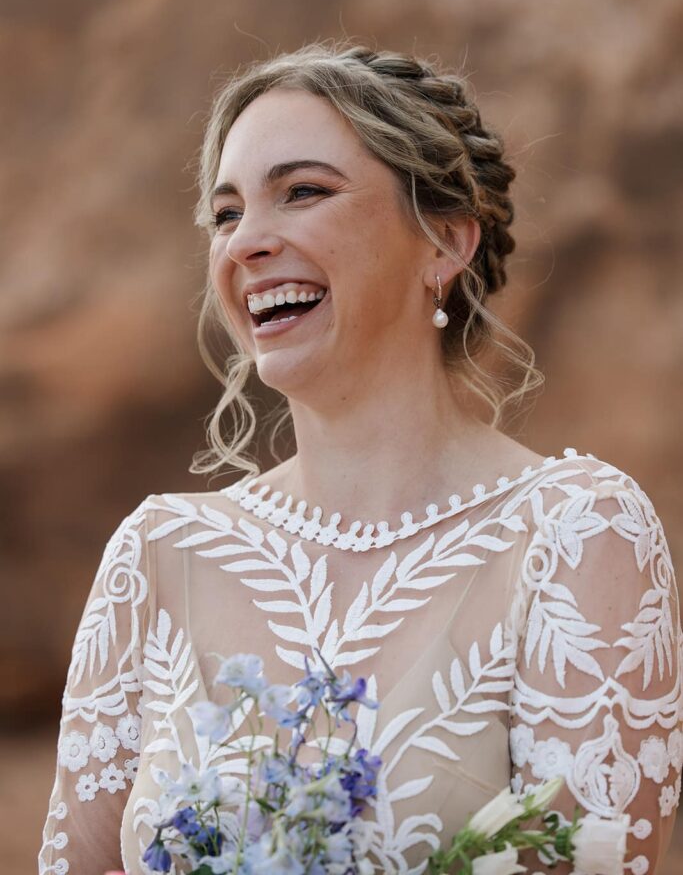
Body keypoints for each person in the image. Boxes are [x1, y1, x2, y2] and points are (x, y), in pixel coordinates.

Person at [39, 42, 682, 874]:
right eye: (226, 214)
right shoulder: (157, 556)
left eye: (302, 192)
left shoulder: (575, 534)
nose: (247, 244)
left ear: (444, 242)